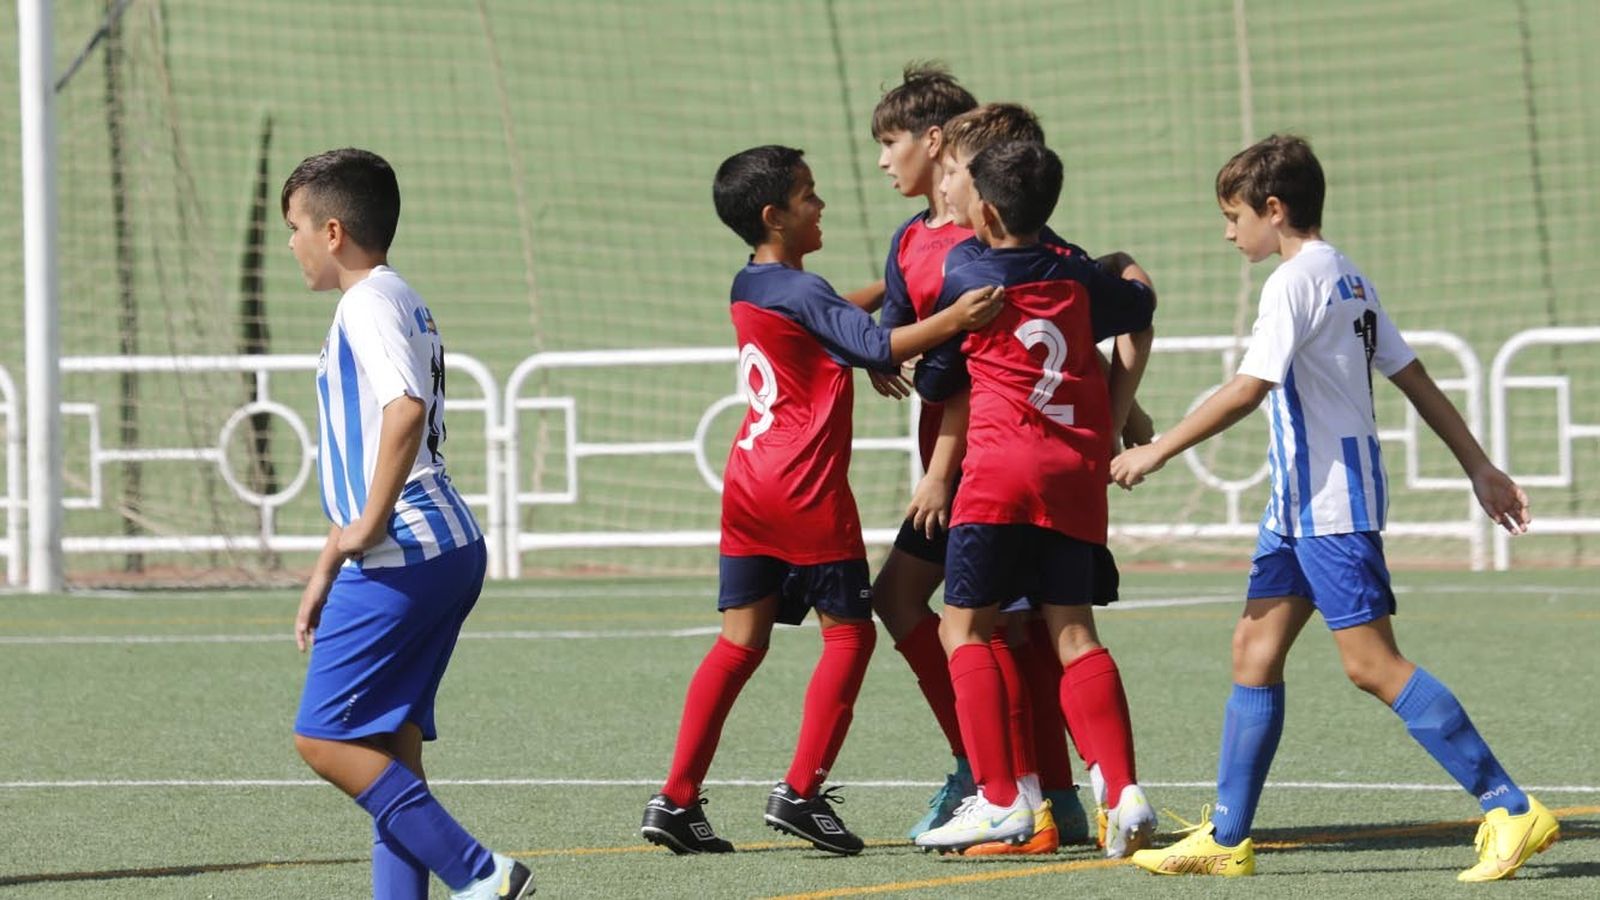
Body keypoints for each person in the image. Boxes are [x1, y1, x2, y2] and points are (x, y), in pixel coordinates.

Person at [1111, 134, 1558, 881]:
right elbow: (1414, 376)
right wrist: (1478, 466)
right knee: (1253, 652)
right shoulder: (1346, 273)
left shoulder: (1294, 281)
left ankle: (1510, 807)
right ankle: (1227, 837)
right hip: (1295, 507)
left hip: (1330, 506)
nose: (1228, 233)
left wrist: (1157, 450)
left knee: (1371, 664)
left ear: (1273, 209)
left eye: (1233, 217)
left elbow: (1248, 389)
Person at [638, 145, 1003, 856]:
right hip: (804, 488)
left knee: (739, 642)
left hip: (748, 483)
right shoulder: (803, 293)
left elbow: (836, 320)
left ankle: (675, 798)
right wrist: (955, 317)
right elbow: (875, 346)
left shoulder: (755, 283)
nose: (821, 205)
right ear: (774, 215)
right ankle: (801, 792)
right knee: (851, 635)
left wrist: (892, 294)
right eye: (808, 195)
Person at [285, 148, 533, 900]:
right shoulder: (400, 297)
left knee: (323, 738)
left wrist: (365, 528)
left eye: (294, 227)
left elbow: (405, 412)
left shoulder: (364, 304)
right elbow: (375, 444)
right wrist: (329, 561)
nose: (290, 244)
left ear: (333, 232)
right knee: (388, 749)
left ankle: (481, 873)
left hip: (407, 553)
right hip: (442, 545)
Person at [907, 140, 1157, 854]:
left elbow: (937, 379)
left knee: (964, 630)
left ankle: (1000, 801)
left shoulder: (966, 272)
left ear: (985, 211)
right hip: (1073, 473)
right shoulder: (1077, 275)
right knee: (1074, 633)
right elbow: (1141, 302)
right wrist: (1123, 263)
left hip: (998, 474)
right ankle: (1123, 788)